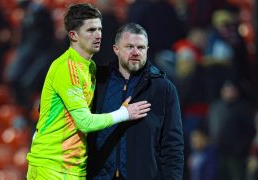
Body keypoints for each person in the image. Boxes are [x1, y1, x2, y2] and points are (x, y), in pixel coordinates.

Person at [26, 4, 151, 180]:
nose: (98, 35)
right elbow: (84, 122)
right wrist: (124, 113)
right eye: (91, 30)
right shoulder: (66, 69)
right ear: (73, 35)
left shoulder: (89, 67)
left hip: (72, 166)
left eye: (99, 28)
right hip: (52, 166)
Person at [87, 23, 184, 180]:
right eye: (129, 46)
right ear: (116, 49)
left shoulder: (163, 88)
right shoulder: (97, 82)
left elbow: (173, 145)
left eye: (141, 47)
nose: (136, 52)